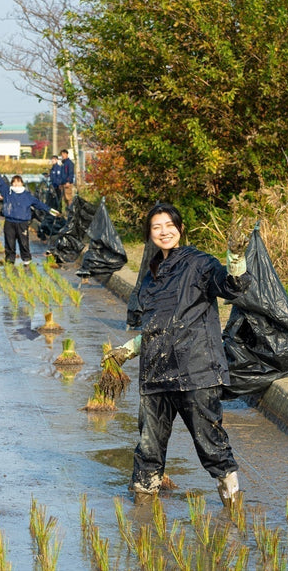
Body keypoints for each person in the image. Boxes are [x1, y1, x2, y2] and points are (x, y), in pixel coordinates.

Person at [108, 202, 251, 509]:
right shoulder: (150, 276)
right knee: (148, 447)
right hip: (157, 373)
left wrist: (237, 258)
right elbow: (155, 327)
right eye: (156, 227)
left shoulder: (200, 263)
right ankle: (143, 507)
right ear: (149, 234)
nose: (164, 232)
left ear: (180, 229)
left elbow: (232, 287)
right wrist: (128, 350)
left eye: (169, 226)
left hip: (196, 370)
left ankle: (233, 502)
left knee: (210, 443)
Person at [0, 165, 58, 265]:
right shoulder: (7, 192)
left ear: (22, 183)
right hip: (9, 222)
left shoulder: (27, 195)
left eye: (18, 181)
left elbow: (38, 204)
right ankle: (10, 260)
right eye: (14, 182)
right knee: (9, 242)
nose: (16, 184)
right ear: (12, 183)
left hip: (22, 223)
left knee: (24, 242)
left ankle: (26, 259)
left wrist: (50, 210)